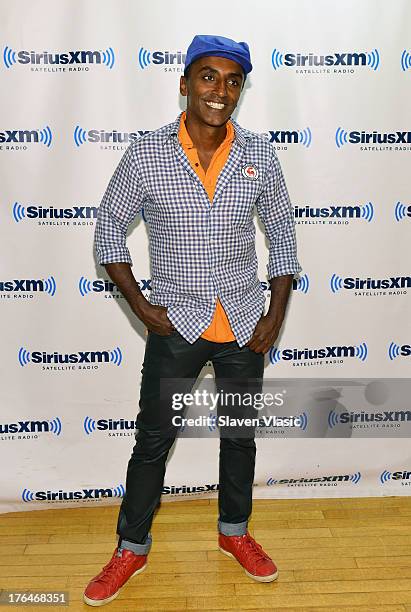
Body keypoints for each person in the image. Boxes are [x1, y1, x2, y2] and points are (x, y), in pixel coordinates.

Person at [83, 34, 301, 606]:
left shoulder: (258, 153)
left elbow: (282, 239)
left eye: (232, 81)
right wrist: (142, 305)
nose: (219, 90)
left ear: (241, 91)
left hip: (244, 325)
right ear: (184, 84)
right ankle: (132, 545)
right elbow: (109, 234)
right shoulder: (146, 152)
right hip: (175, 325)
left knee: (239, 437)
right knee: (153, 440)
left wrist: (274, 315)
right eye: (208, 77)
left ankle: (235, 534)